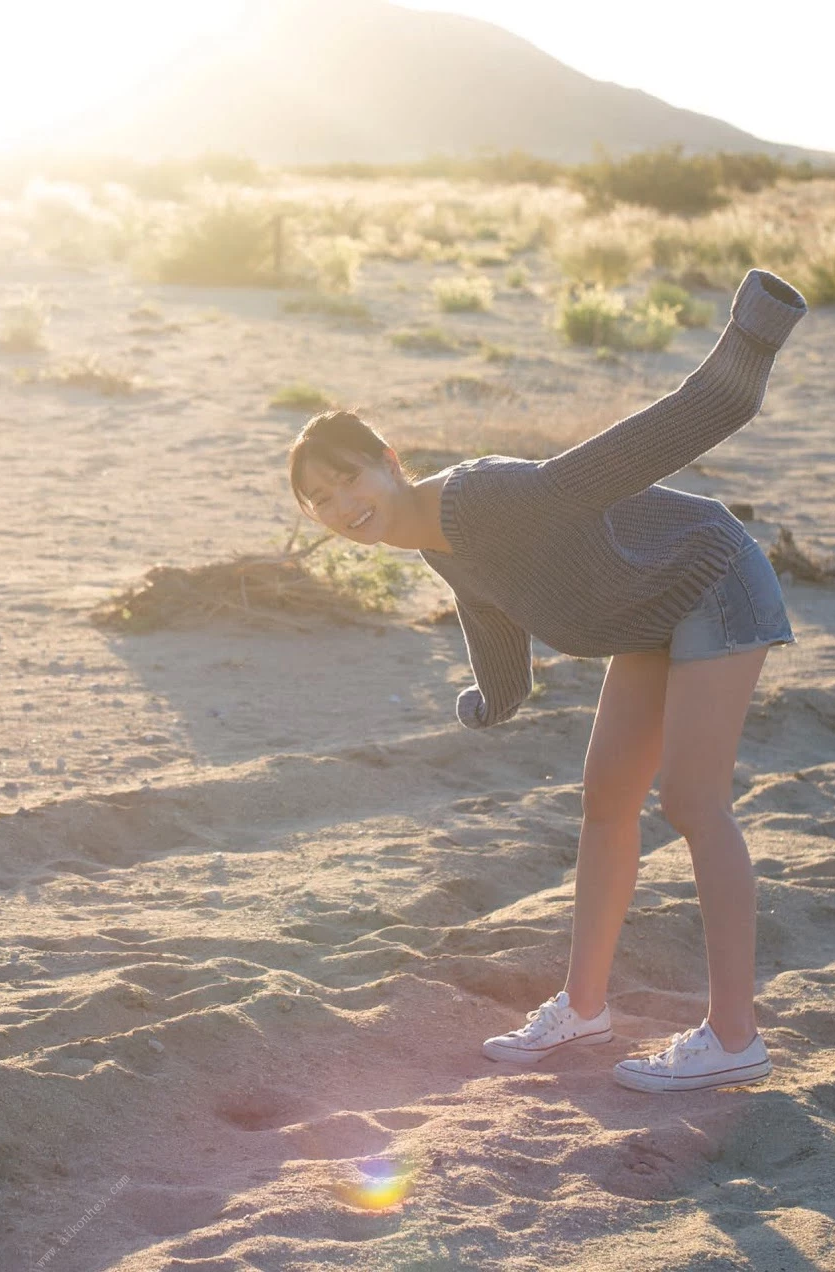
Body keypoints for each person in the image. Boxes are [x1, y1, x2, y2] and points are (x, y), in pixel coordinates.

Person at [288, 268, 808, 1093]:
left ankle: (734, 1036)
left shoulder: (485, 499)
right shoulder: (435, 541)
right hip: (651, 613)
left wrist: (745, 349)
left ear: (389, 460)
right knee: (606, 798)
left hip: (712, 579)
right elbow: (492, 616)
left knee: (691, 801)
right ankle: (584, 1007)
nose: (341, 504)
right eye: (319, 500)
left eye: (348, 477)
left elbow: (630, 454)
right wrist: (491, 699)